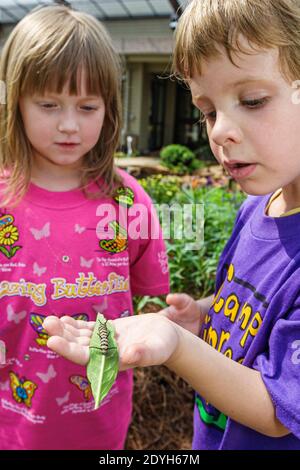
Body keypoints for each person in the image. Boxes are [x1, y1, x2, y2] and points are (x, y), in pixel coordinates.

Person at [44, 0, 300, 450]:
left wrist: (176, 347)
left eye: (252, 100)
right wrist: (204, 314)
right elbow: (253, 308)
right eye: (208, 110)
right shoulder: (257, 207)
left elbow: (278, 410)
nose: (219, 131)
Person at [0, 4, 169, 450]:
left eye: (87, 105)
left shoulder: (128, 202)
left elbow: (150, 304)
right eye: (49, 104)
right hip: (9, 426)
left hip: (99, 424)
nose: (69, 125)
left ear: (108, 107)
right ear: (15, 100)